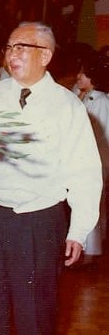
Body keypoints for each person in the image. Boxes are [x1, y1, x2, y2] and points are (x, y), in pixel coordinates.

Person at [0, 22, 103, 335]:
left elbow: (84, 171)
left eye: (21, 47)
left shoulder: (67, 106)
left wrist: (79, 230)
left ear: (45, 55)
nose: (10, 55)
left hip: (37, 222)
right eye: (9, 47)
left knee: (35, 316)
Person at [74, 54, 109, 261]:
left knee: (90, 203)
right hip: (87, 158)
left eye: (84, 73)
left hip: (96, 160)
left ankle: (91, 252)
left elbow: (102, 135)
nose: (79, 76)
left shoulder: (100, 101)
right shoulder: (86, 96)